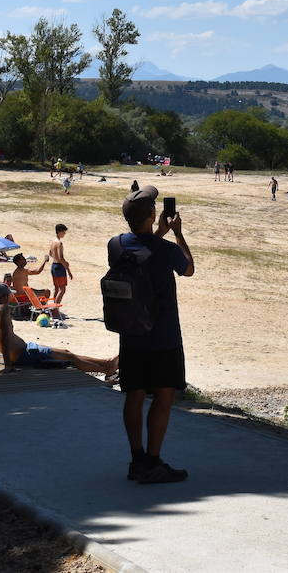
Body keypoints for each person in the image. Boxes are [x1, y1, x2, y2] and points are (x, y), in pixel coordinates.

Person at [112, 184, 196, 484]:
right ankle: (154, 460)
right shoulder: (167, 249)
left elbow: (142, 252)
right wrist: (176, 232)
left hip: (131, 335)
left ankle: (137, 461)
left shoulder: (116, 246)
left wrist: (155, 233)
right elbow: (188, 269)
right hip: (164, 336)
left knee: (134, 394)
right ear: (152, 215)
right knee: (163, 396)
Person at [0, 283, 116, 374]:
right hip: (24, 353)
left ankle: (105, 363)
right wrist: (8, 365)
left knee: (66, 353)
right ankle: (106, 368)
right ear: (3, 297)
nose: (11, 298)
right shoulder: (2, 309)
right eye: (9, 296)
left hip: (24, 351)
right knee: (68, 356)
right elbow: (5, 337)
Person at [49, 223, 73, 304]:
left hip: (53, 266)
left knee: (56, 288)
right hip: (59, 267)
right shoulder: (59, 243)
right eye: (64, 232)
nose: (64, 234)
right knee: (62, 289)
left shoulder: (52, 241)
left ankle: (53, 306)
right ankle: (55, 309)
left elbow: (50, 254)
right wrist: (67, 267)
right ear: (60, 232)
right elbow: (60, 258)